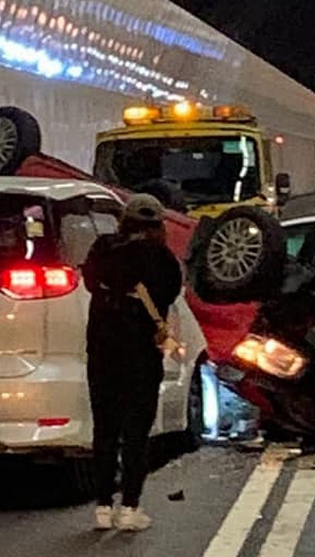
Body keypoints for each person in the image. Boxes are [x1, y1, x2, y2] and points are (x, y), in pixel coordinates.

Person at [81, 194, 183, 532]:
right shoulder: (163, 259)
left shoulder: (103, 249)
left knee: (105, 430)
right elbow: (169, 294)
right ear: (158, 224)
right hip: (141, 356)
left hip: (102, 354)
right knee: (136, 433)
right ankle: (130, 508)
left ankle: (102, 507)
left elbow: (90, 282)